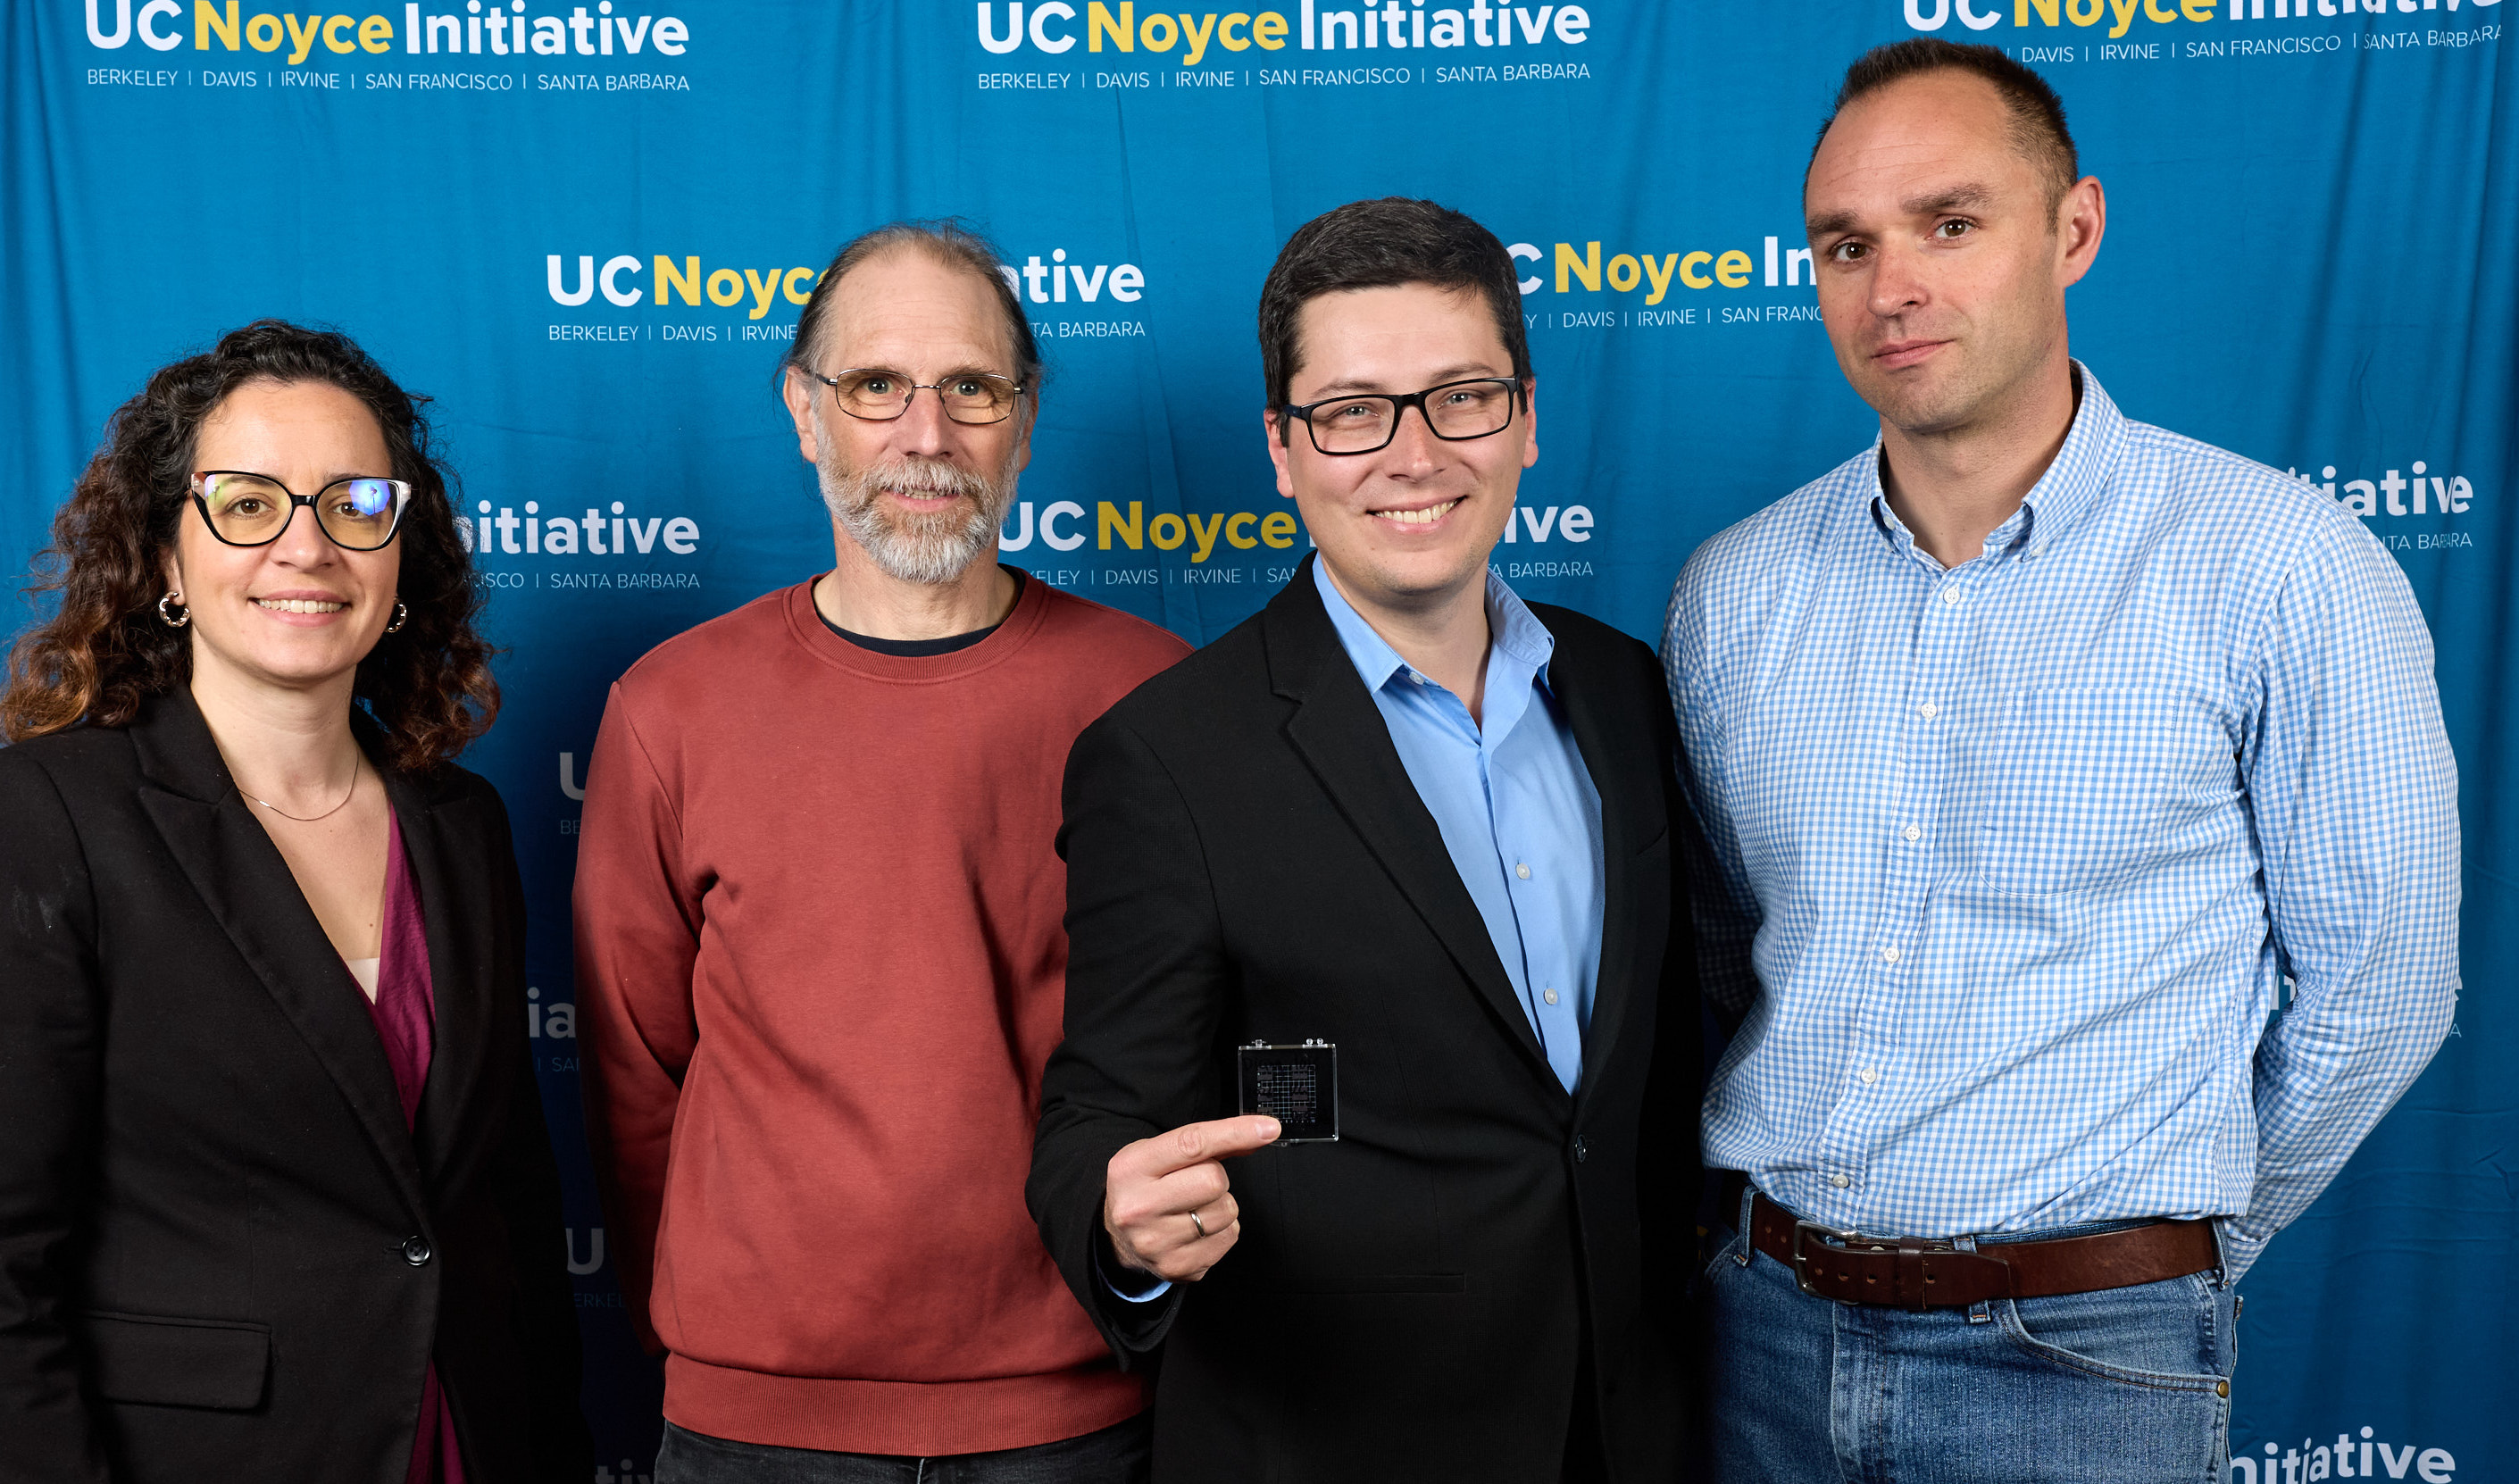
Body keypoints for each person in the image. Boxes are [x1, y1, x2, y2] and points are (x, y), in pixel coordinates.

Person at [1661, 39, 2459, 1484]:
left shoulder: (2280, 566)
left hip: (2087, 1355)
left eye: (1947, 223)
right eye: (1847, 244)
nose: (1890, 283)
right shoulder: (1734, 589)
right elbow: (1730, 955)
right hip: (1759, 1334)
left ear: (2072, 229)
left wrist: (2167, 1238)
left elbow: (2382, 985)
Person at [1026, 196, 1701, 1483]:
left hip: (1631, 1429)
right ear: (1282, 448)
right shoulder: (1166, 757)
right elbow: (1100, 1114)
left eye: (1460, 396)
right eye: (1351, 411)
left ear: (1525, 419)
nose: (1412, 453)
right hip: (1326, 1442)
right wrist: (1119, 1221)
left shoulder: (1625, 691)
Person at [571, 221, 1190, 1484]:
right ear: (805, 413)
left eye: (970, 386)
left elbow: (1197, 1048)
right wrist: (707, 1337)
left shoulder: (1153, 698)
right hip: (754, 1424)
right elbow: (635, 1075)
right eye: (875, 386)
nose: (926, 434)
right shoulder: (670, 707)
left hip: (1073, 1412)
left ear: (1023, 420)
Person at [0, 321, 590, 1484]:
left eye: (353, 502)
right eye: (247, 502)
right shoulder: (48, 815)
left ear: (399, 546)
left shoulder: (459, 826)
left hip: (466, 1443)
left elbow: (510, 1213)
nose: (306, 546)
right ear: (167, 557)